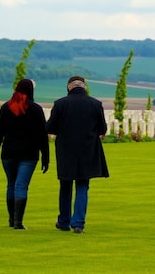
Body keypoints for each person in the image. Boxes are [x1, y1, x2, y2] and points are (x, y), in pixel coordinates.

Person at [45, 75, 109, 234]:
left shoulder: (60, 104)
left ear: (69, 87)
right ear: (84, 87)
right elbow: (102, 128)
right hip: (87, 150)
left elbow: (50, 127)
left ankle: (64, 221)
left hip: (66, 150)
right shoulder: (95, 104)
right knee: (82, 185)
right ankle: (78, 222)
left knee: (65, 185)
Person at [0, 78, 49, 230]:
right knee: (21, 186)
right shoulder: (35, 109)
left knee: (11, 185)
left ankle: (11, 219)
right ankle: (18, 222)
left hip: (9, 153)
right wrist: (46, 157)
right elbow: (42, 136)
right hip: (29, 154)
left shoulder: (7, 107)